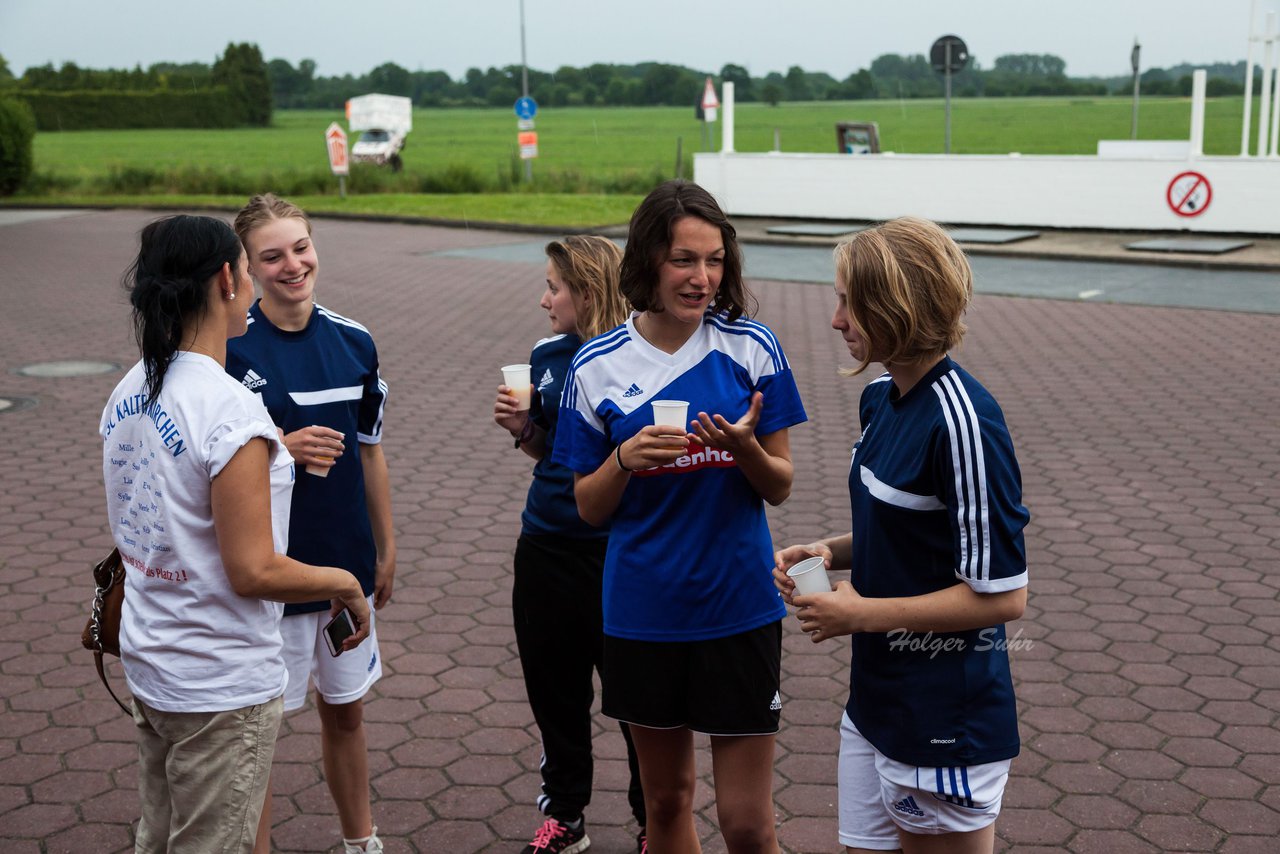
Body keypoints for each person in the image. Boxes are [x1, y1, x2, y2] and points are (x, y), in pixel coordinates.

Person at [101, 214, 371, 854]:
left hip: (152, 658)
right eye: (250, 269)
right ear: (227, 278)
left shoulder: (129, 389)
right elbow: (252, 569)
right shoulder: (229, 409)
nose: (253, 283)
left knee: (160, 836)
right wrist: (345, 582)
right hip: (218, 677)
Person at [553, 180, 807, 854]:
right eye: (684, 261)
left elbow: (779, 485)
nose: (701, 279)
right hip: (643, 611)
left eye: (714, 260)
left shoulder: (753, 348)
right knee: (666, 804)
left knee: (749, 825)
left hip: (740, 606)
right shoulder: (596, 365)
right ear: (646, 263)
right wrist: (625, 460)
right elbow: (587, 505)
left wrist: (745, 447)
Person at [772, 218, 1030, 854]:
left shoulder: (965, 423)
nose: (835, 320)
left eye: (846, 303)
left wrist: (860, 614)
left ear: (897, 307)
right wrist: (830, 551)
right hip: (875, 703)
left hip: (942, 717)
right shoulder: (882, 397)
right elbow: (901, 528)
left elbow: (1002, 596)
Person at [226, 195, 395, 854]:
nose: (292, 264)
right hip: (272, 575)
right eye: (272, 255)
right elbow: (215, 468)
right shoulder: (230, 347)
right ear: (247, 268)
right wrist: (279, 450)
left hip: (344, 569)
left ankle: (362, 842)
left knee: (347, 714)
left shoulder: (355, 341)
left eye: (300, 247)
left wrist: (386, 547)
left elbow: (371, 451)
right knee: (260, 731)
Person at [493, 236, 647, 854]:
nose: (543, 299)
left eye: (554, 287)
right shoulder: (547, 354)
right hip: (546, 546)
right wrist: (524, 428)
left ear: (587, 293)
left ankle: (652, 820)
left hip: (619, 551)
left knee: (636, 697)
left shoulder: (640, 357)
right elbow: (548, 447)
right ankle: (566, 817)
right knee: (554, 691)